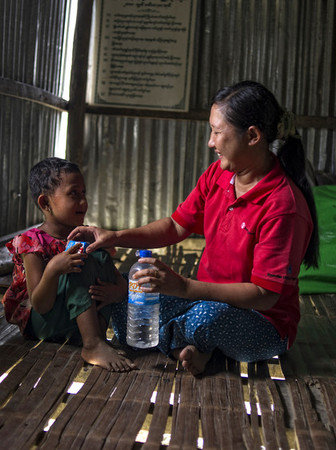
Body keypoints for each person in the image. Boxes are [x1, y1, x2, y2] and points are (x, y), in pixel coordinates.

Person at [69, 81, 319, 375]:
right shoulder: (218, 176)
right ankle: (189, 349)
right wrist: (116, 236)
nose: (210, 142)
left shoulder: (283, 206)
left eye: (217, 132)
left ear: (252, 136)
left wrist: (183, 287)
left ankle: (188, 345)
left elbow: (265, 295)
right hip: (200, 298)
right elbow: (176, 226)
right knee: (127, 289)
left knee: (209, 319)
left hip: (261, 322)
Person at [1, 157, 136, 372]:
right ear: (45, 203)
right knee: (79, 259)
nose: (83, 202)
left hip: (72, 322)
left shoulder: (88, 236)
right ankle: (92, 344)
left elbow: (120, 286)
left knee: (98, 256)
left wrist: (115, 292)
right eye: (73, 194)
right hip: (43, 323)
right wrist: (53, 269)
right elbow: (40, 305)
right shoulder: (32, 242)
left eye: (83, 194)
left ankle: (96, 338)